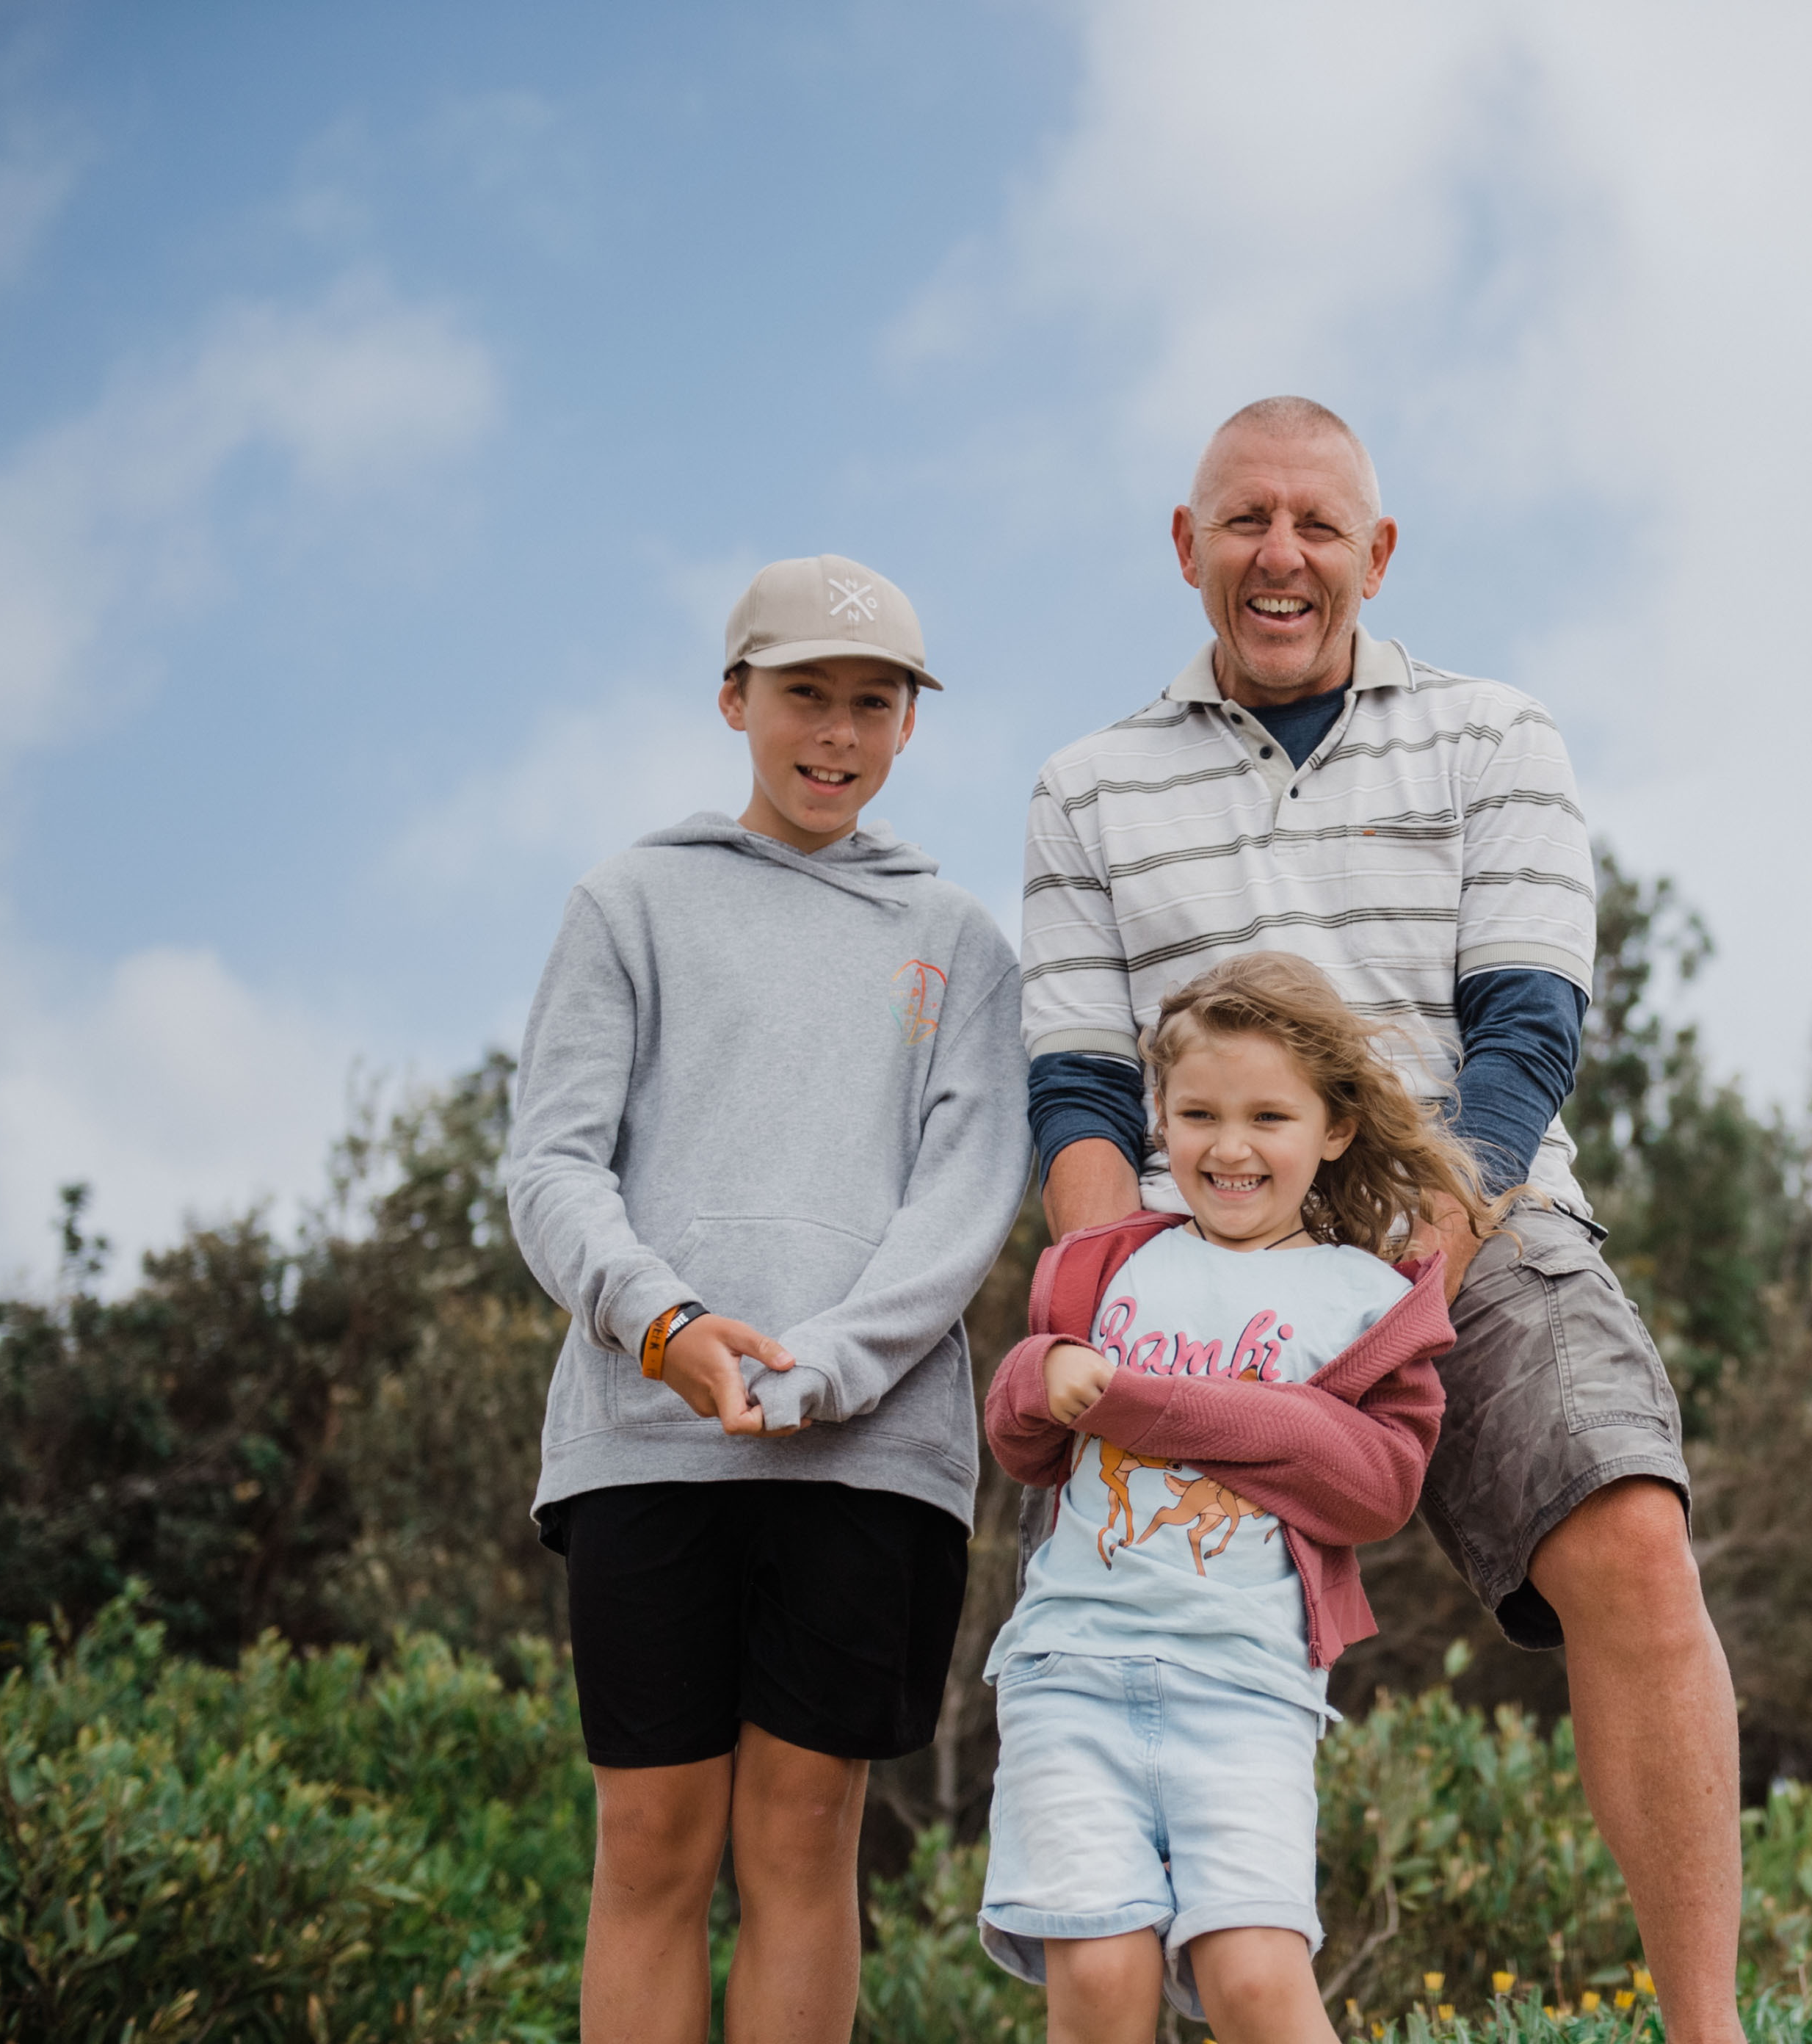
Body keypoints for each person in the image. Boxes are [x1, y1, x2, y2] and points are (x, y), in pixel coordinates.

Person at [1023, 397, 1744, 2039]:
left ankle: (1707, 2029)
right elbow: (1075, 1097)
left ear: (1377, 552)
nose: (1282, 556)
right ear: (1189, 547)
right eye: (1245, 521)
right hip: (1181, 1266)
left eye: (1317, 525)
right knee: (1131, 1653)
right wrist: (1098, 1315)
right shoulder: (1086, 790)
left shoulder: (1495, 735)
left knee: (1630, 1535)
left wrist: (1414, 1258)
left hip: (1465, 1222)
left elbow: (1527, 1030)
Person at [504, 554, 1029, 2044]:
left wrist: (828, 1370)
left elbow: (968, 1192)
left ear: (909, 726)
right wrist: (668, 1332)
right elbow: (550, 1166)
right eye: (806, 695)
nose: (837, 734)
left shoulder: (959, 939)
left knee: (803, 1846)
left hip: (867, 1454)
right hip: (647, 1440)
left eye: (874, 704)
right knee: (654, 1846)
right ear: (737, 699)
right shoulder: (629, 904)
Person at [976, 951, 1486, 2043]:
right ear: (1158, 1117)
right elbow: (1023, 1428)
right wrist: (1044, 1375)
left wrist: (1143, 1404)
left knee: (1256, 1980)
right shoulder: (1108, 1263)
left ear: (1333, 1129)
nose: (1233, 1146)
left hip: (1245, 1689)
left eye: (1270, 1115)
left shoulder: (1366, 1300)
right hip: (1072, 1672)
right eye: (1199, 1113)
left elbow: (1375, 1486)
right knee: (1103, 1982)